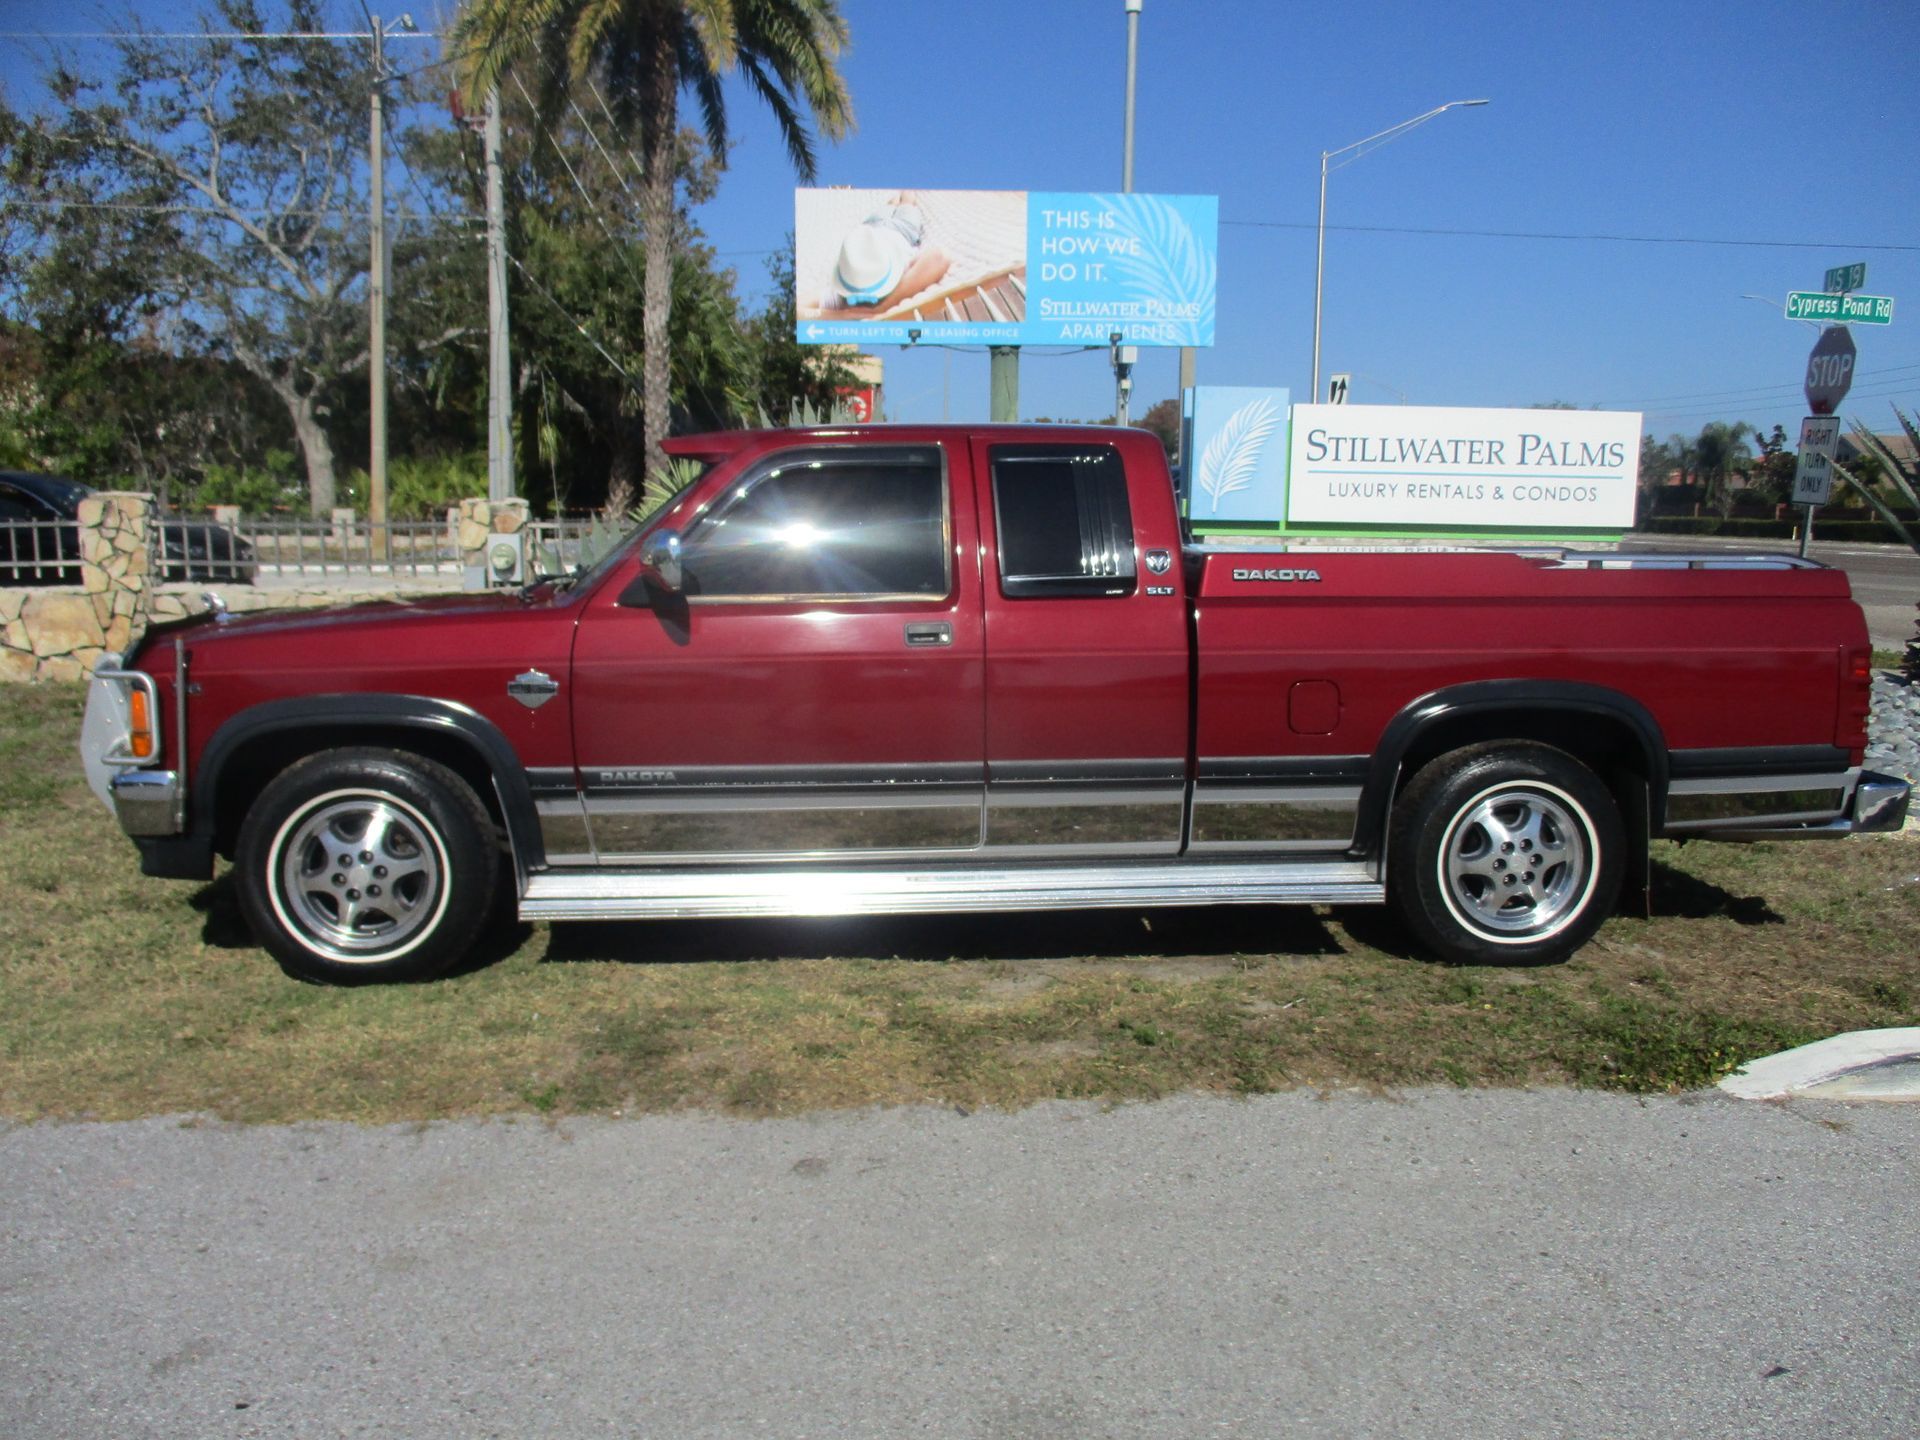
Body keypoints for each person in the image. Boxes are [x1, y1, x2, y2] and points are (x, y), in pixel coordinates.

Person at [819, 193, 950, 317]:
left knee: (893, 203)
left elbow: (801, 307)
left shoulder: (842, 294)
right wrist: (883, 307)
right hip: (901, 229)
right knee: (907, 202)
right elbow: (939, 257)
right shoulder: (898, 275)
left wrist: (879, 309)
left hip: (871, 229)